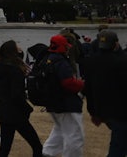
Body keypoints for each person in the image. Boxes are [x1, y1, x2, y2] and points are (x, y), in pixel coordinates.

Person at [0, 40, 43, 157]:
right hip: (16, 112)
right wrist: (27, 108)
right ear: (13, 52)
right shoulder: (15, 70)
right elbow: (17, 94)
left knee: (5, 147)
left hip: (4, 110)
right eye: (18, 48)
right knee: (36, 145)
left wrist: (1, 100)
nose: (20, 49)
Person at [40, 34, 85, 157]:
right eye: (66, 46)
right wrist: (82, 84)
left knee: (59, 132)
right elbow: (68, 83)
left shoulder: (46, 59)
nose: (68, 49)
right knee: (74, 136)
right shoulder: (61, 62)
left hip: (53, 103)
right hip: (66, 104)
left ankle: (47, 153)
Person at [84, 29, 127, 157]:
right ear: (116, 44)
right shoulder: (121, 62)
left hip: (102, 111)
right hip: (121, 112)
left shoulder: (91, 61)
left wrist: (93, 112)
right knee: (117, 147)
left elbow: (88, 89)